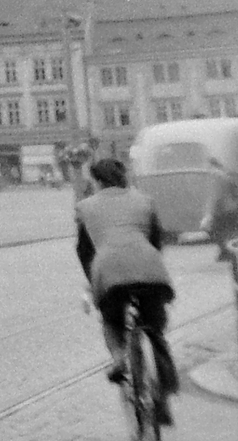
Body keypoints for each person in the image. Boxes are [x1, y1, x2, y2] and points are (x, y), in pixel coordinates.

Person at [76, 158, 178, 422]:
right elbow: (157, 239)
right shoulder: (145, 200)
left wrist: (94, 280)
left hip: (108, 271)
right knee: (156, 329)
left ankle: (120, 359)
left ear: (96, 181)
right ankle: (163, 394)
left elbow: (84, 250)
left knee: (111, 321)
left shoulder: (85, 207)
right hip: (149, 267)